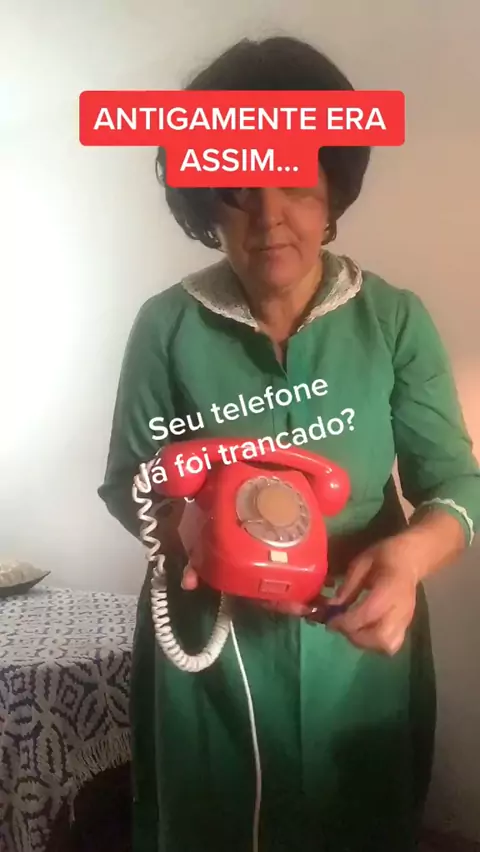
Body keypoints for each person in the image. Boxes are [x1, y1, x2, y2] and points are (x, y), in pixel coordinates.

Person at [98, 36, 480, 852]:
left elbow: (458, 485)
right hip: (209, 657)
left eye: (296, 181)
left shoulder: (395, 321)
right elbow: (129, 480)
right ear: (206, 201)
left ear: (332, 185)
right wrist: (187, 525)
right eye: (240, 189)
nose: (270, 216)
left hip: (360, 653)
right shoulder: (164, 328)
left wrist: (410, 558)